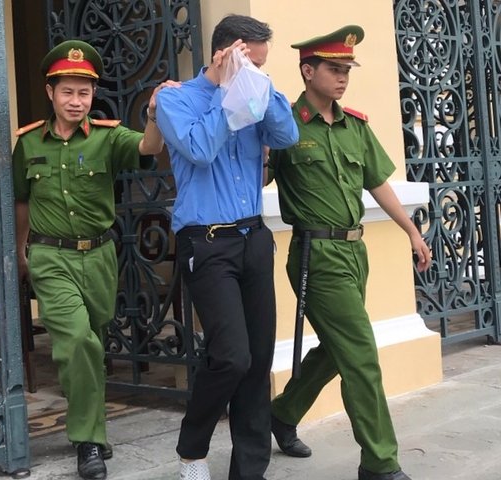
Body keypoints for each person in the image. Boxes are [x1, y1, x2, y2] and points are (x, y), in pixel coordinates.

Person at [267, 25, 432, 480]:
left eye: (347, 70)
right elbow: (254, 177)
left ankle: (281, 413)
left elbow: (378, 184)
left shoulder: (354, 125)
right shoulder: (284, 126)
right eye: (334, 69)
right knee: (360, 354)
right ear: (308, 71)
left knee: (338, 348)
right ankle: (380, 464)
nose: (343, 77)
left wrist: (411, 232)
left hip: (355, 253)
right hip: (315, 255)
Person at [12, 40, 173, 480]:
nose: (76, 101)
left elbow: (148, 147)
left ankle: (94, 429)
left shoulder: (108, 136)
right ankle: (87, 440)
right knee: (78, 341)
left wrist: (154, 114)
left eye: (84, 93)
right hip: (50, 256)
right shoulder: (28, 143)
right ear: (50, 92)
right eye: (67, 92)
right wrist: (20, 250)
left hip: (99, 256)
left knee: (93, 346)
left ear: (93, 95)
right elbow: (22, 200)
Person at [155, 14, 299, 480]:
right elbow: (199, 149)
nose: (255, 72)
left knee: (257, 361)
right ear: (224, 53)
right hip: (207, 242)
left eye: (261, 65)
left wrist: (260, 87)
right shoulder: (176, 99)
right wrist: (226, 91)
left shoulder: (254, 94)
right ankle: (192, 449)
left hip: (253, 238)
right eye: (250, 62)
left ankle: (249, 471)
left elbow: (287, 136)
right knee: (232, 356)